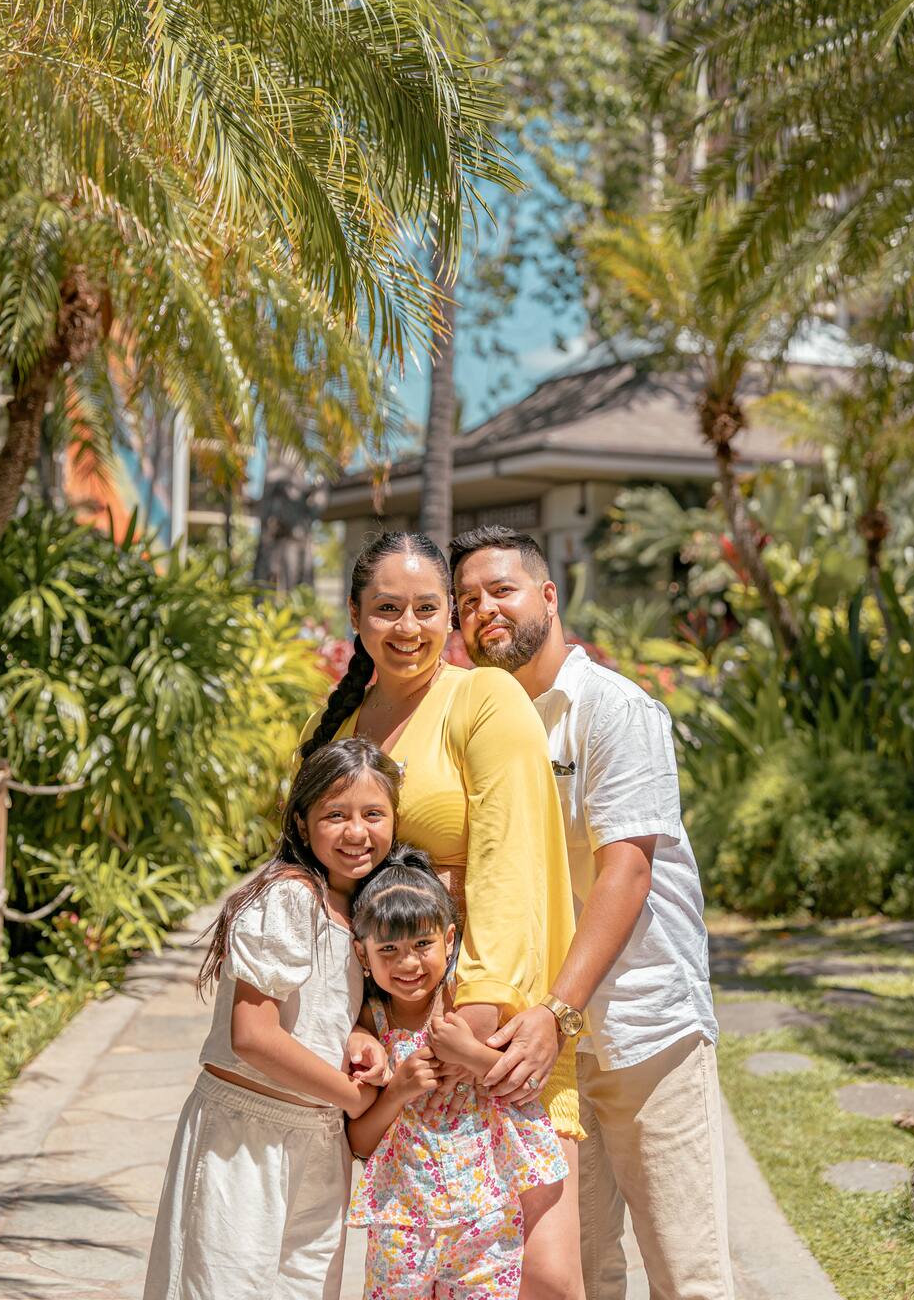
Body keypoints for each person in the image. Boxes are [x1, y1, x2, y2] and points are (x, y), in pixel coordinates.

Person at [450, 526, 735, 1300]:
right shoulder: (478, 719)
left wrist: (557, 1012)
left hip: (644, 1031)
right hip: (538, 1052)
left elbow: (627, 871)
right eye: (467, 601)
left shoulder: (611, 707)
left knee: (688, 1270)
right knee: (576, 1272)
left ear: (549, 595)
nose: (484, 611)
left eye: (501, 590)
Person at [300, 530, 585, 1300]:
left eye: (428, 607)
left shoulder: (482, 696)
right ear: (355, 615)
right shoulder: (343, 725)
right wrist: (359, 1018)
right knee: (421, 1267)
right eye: (387, 608)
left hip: (488, 1027)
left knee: (543, 1276)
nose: (409, 626)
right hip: (392, 1030)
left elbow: (512, 858)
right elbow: (328, 882)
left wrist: (480, 1014)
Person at [143, 738, 398, 1300]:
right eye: (336, 815)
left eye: (373, 814)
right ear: (304, 825)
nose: (357, 832)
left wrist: (359, 1038)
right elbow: (254, 1036)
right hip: (245, 1138)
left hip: (317, 1139)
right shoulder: (290, 897)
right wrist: (355, 1099)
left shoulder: (355, 907)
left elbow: (321, 1007)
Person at [346, 845, 569, 1299]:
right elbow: (360, 1142)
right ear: (362, 954)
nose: (407, 963)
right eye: (388, 948)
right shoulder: (372, 1026)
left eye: (422, 944)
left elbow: (523, 1086)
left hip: (485, 1219)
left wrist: (469, 1053)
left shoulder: (470, 1009)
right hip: (401, 1221)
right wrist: (397, 1091)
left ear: (450, 941)